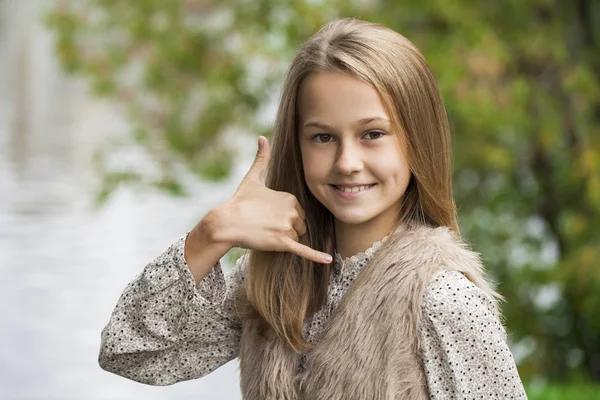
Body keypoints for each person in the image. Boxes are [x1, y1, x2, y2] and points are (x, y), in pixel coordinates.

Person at [99, 18, 527, 399]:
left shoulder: (443, 299)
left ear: (418, 139)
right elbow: (130, 352)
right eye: (322, 137)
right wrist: (211, 234)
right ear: (297, 146)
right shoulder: (271, 280)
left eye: (373, 134)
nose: (347, 162)